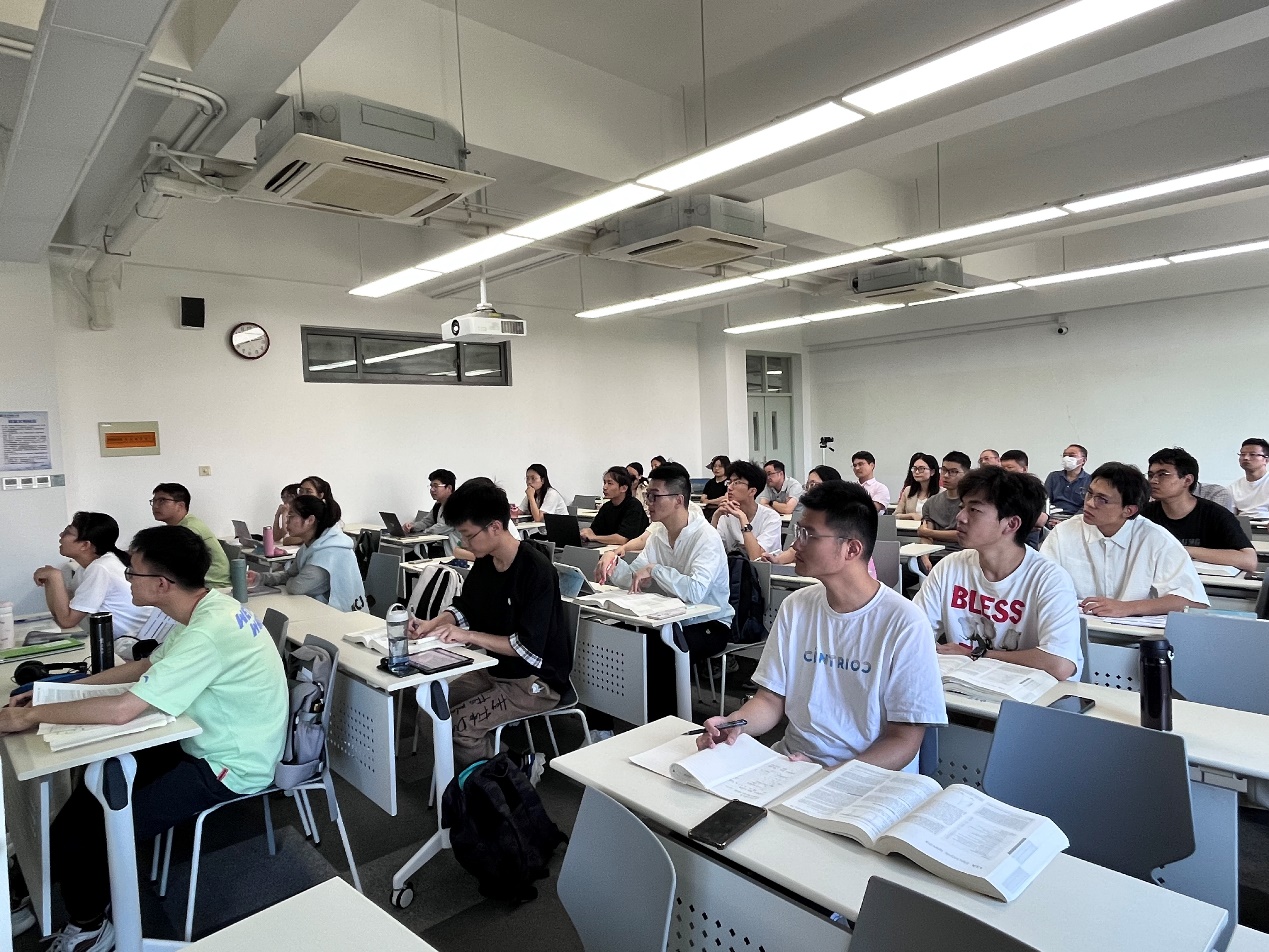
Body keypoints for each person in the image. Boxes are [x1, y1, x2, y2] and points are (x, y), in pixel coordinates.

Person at [0, 525, 287, 952]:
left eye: (132, 572)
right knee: (90, 794)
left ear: (162, 584)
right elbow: (147, 666)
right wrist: (61, 691)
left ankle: (90, 927)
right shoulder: (208, 606)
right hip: (201, 741)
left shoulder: (207, 630)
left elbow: (122, 711)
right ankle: (25, 883)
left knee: (100, 827)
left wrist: (31, 716)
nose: (127, 579)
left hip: (229, 764)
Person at [696, 481, 946, 769]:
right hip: (795, 762)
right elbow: (770, 699)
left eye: (808, 535)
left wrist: (830, 775)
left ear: (851, 549)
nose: (795, 544)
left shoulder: (905, 622)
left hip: (868, 775)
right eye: (798, 531)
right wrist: (734, 724)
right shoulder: (796, 606)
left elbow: (904, 740)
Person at [406, 481, 571, 771]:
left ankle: (508, 780)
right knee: (430, 709)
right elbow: (465, 608)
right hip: (495, 669)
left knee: (459, 728)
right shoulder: (486, 561)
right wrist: (430, 625)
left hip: (536, 680)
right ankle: (507, 767)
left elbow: (527, 648)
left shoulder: (535, 569)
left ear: (495, 527)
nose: (464, 543)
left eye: (468, 535)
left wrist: (467, 635)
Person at [913, 467, 1081, 680]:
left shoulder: (1049, 579)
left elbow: (1060, 664)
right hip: (963, 686)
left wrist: (976, 654)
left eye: (974, 510)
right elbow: (913, 632)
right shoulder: (950, 567)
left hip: (1027, 693)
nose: (960, 517)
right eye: (962, 507)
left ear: (1011, 524)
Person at [596, 463, 733, 719]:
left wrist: (656, 570)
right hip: (668, 619)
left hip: (708, 623)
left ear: (678, 500)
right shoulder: (658, 533)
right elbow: (634, 578)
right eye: (647, 495)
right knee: (610, 637)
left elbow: (695, 592)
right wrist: (612, 562)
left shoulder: (706, 538)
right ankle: (600, 728)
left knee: (659, 650)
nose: (648, 503)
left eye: (654, 496)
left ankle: (665, 727)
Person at [1040, 462, 1208, 617]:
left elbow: (1193, 601)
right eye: (1089, 493)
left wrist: (1128, 607)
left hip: (1134, 634)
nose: (1089, 503)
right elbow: (1040, 584)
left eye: (1102, 500)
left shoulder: (1157, 539)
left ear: (1129, 510)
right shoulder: (1064, 532)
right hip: (1075, 627)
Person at [32, 512, 152, 658]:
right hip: (117, 644)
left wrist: (55, 576)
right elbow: (60, 612)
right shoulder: (87, 567)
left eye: (67, 532)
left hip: (133, 647)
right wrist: (51, 581)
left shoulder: (101, 567)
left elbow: (67, 621)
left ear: (85, 545)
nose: (61, 535)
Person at [1142, 448, 1256, 573]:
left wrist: (1183, 550)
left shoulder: (1215, 514)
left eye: (1163, 475)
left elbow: (1249, 560)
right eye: (1151, 475)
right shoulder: (1144, 515)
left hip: (1207, 582)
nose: (1153, 481)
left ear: (1187, 480)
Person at [250, 496, 367, 611]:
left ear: (310, 520)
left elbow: (297, 588)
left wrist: (291, 580)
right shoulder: (309, 546)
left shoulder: (329, 553)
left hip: (342, 614)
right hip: (318, 609)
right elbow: (289, 575)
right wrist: (261, 578)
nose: (286, 521)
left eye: (291, 516)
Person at [150, 483, 230, 588]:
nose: (155, 506)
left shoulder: (190, 529)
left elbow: (177, 566)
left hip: (211, 586)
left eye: (162, 501)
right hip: (197, 583)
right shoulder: (177, 527)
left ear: (180, 505)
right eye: (154, 501)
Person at [711, 459, 783, 559]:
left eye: (736, 482)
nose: (729, 488)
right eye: (729, 482)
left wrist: (743, 519)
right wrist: (716, 517)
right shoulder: (726, 515)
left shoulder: (771, 518)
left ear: (752, 491)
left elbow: (756, 558)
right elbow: (710, 550)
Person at [917, 452, 971, 554]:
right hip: (934, 554)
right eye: (944, 470)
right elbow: (926, 537)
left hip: (962, 554)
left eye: (953, 472)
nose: (946, 475)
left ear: (966, 474)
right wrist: (925, 557)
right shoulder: (931, 502)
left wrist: (929, 533)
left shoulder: (971, 503)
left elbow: (965, 534)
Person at [581, 466, 650, 545]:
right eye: (604, 482)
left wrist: (594, 538)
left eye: (610, 483)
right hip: (609, 548)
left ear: (623, 488)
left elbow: (622, 539)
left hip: (631, 551)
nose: (604, 487)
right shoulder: (606, 507)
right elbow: (594, 529)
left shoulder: (634, 506)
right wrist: (587, 532)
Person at [1044, 444, 1091, 520]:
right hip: (1053, 516)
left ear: (1083, 460)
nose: (1067, 458)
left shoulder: (1090, 480)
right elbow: (1045, 500)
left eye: (1072, 455)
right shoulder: (1053, 476)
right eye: (1064, 455)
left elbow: (1087, 506)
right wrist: (1048, 518)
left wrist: (1069, 522)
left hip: (1077, 519)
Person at [405, 468, 456, 533]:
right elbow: (426, 522)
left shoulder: (456, 505)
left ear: (449, 488)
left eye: (436, 486)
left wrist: (424, 532)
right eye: (431, 486)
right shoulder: (438, 505)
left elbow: (443, 527)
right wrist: (412, 527)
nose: (432, 489)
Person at [1229, 438, 1269, 518]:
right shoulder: (1233, 488)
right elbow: (1230, 516)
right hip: (1243, 524)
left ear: (1266, 460)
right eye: (1242, 454)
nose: (1246, 458)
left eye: (1252, 454)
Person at [895, 453, 938, 518]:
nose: (917, 472)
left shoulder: (942, 493)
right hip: (910, 524)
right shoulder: (908, 490)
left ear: (932, 472)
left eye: (921, 469)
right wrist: (910, 515)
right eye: (914, 468)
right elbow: (895, 515)